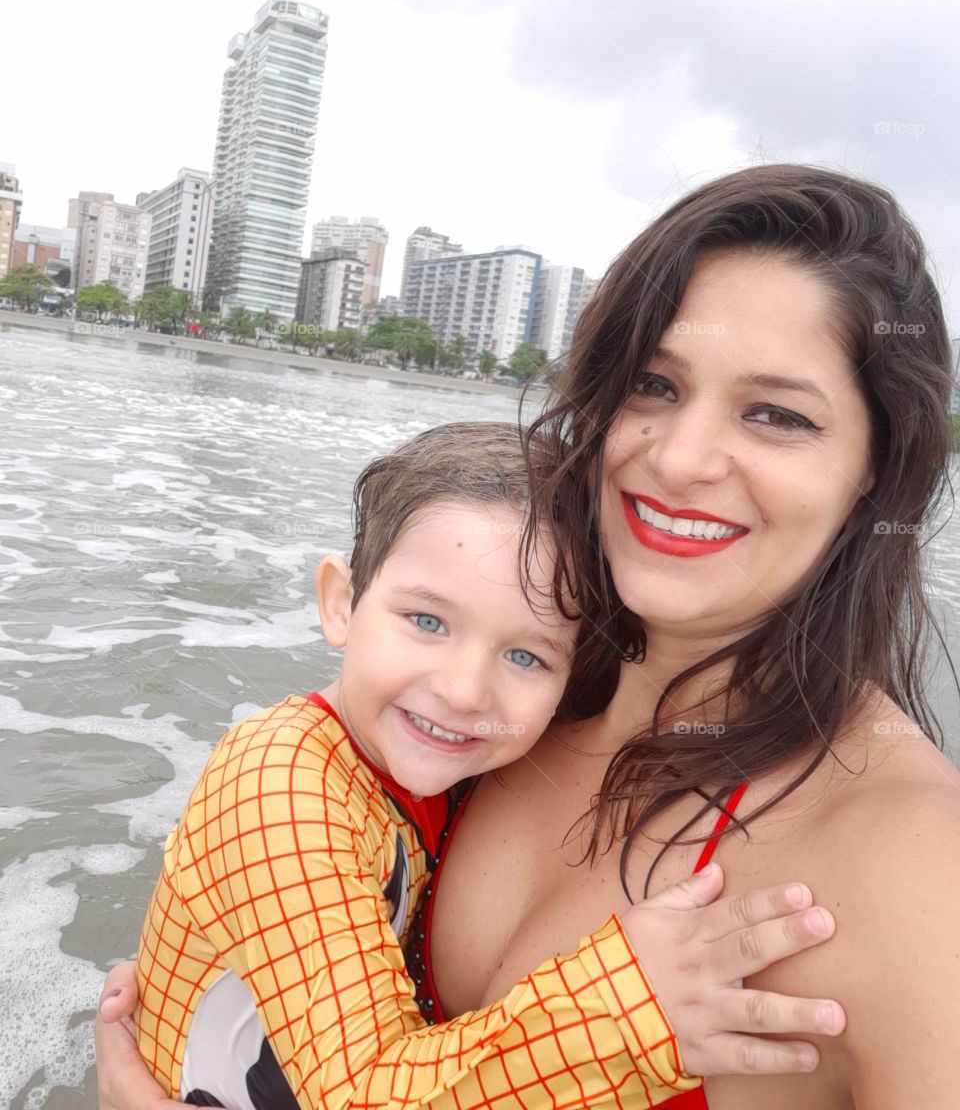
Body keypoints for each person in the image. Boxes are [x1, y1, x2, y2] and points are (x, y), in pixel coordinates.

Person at [97, 162, 958, 1109]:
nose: (678, 458)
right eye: (654, 385)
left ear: (879, 469)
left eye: (776, 414)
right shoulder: (507, 699)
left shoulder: (916, 865)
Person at [125, 419, 843, 1110]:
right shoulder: (276, 786)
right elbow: (360, 1095)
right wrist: (628, 1007)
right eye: (427, 621)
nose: (464, 691)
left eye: (525, 656)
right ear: (340, 602)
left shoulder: (448, 776)